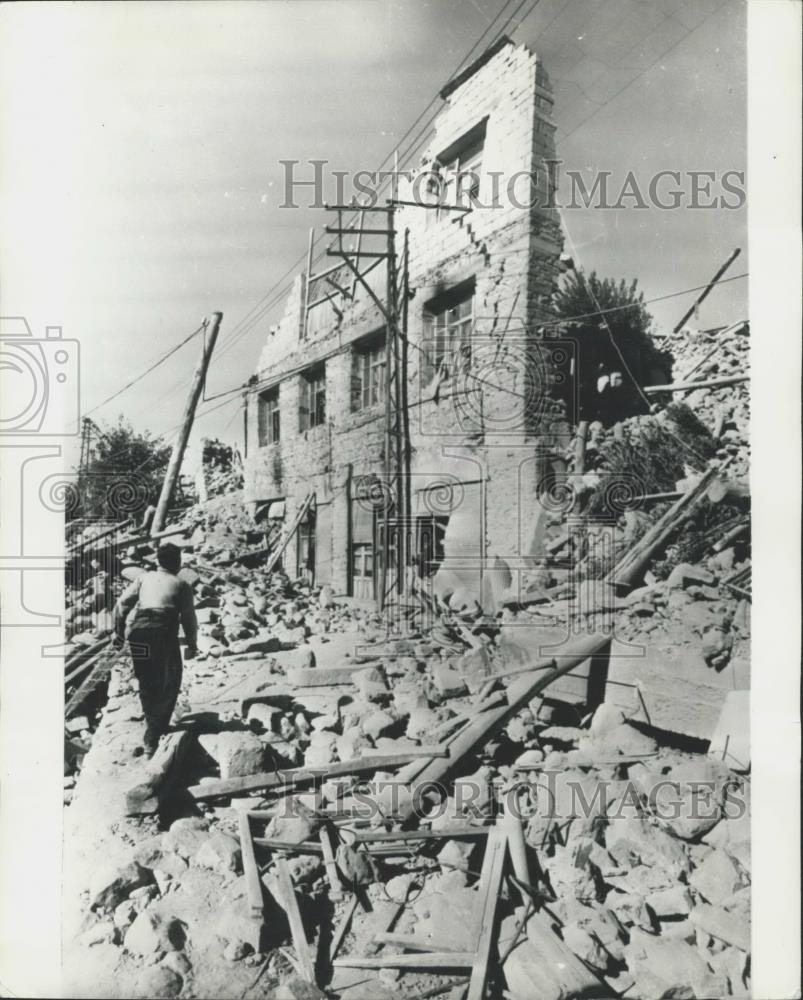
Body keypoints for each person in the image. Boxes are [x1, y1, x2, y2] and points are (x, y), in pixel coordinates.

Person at [113, 542, 198, 755]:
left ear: (157, 561)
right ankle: (155, 731)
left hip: (139, 633)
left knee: (147, 680)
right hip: (162, 633)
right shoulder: (181, 585)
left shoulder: (144, 577)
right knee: (171, 678)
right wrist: (192, 643)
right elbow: (189, 618)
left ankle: (152, 728)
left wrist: (118, 633)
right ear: (177, 563)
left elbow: (122, 604)